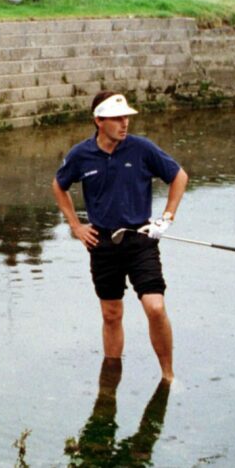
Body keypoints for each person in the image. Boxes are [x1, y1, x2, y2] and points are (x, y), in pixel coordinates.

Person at [52, 92, 188, 382]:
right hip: (102, 243)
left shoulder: (141, 149)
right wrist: (76, 226)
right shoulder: (81, 155)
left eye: (126, 117)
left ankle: (168, 375)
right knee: (111, 314)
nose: (124, 123)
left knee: (155, 306)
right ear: (99, 121)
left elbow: (179, 176)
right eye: (117, 118)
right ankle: (111, 381)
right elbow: (58, 184)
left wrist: (166, 218)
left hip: (141, 239)